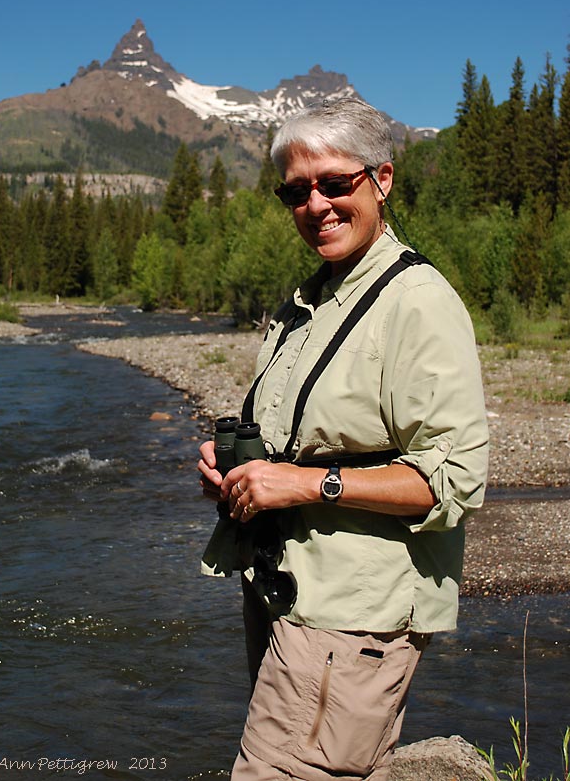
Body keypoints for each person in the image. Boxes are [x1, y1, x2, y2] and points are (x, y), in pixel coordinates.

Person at [198, 97, 489, 781]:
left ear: (381, 180)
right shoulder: (305, 305)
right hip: (285, 590)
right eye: (297, 191)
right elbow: (301, 440)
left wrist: (304, 483)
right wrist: (239, 469)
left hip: (353, 613)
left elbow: (453, 482)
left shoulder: (417, 302)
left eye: (335, 183)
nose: (316, 205)